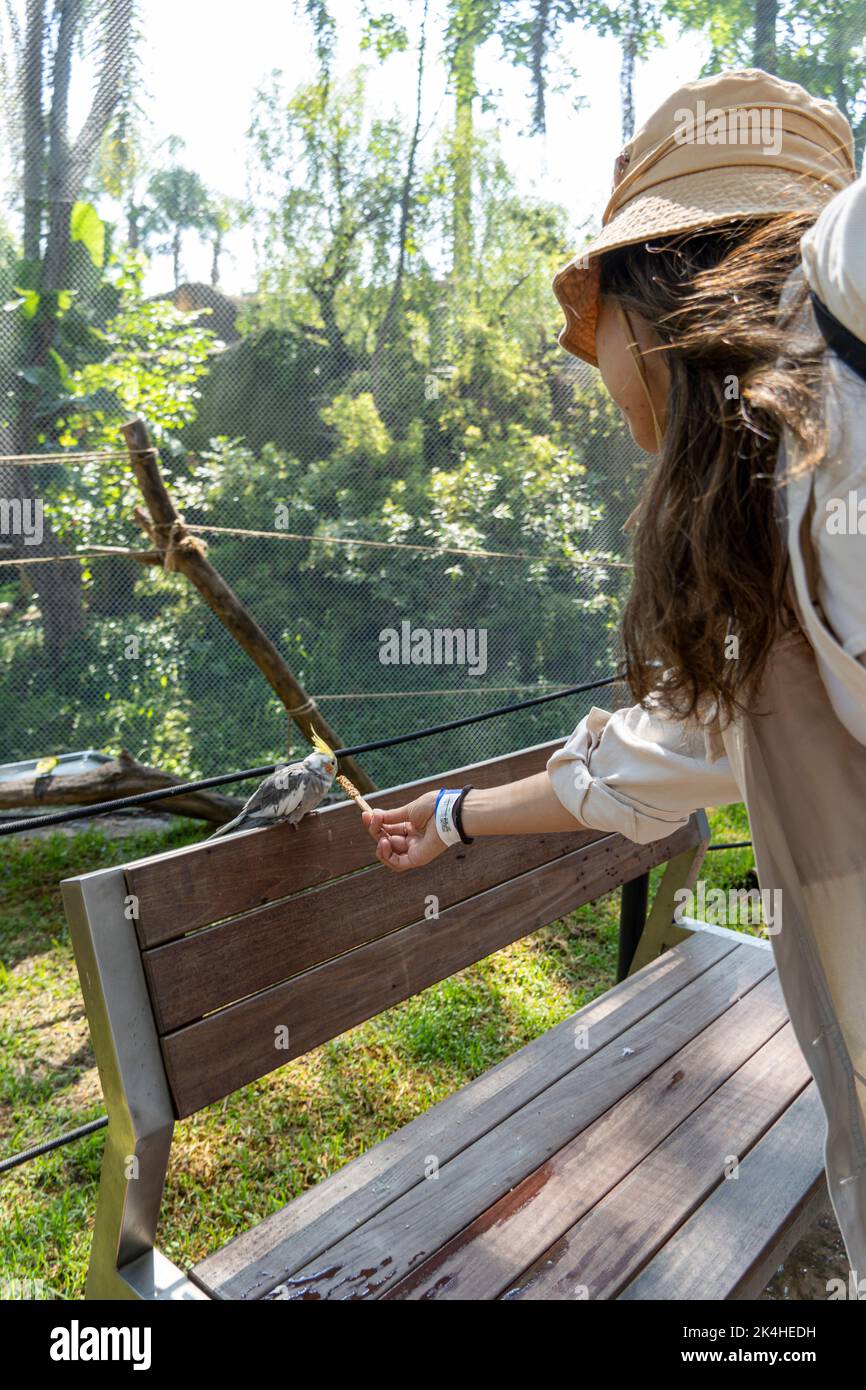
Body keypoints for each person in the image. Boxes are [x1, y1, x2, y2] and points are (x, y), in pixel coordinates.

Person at [363, 68, 866, 1278]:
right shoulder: (770, 545)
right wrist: (448, 814)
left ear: (653, 292)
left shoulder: (835, 329)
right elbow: (658, 757)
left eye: (599, 324)